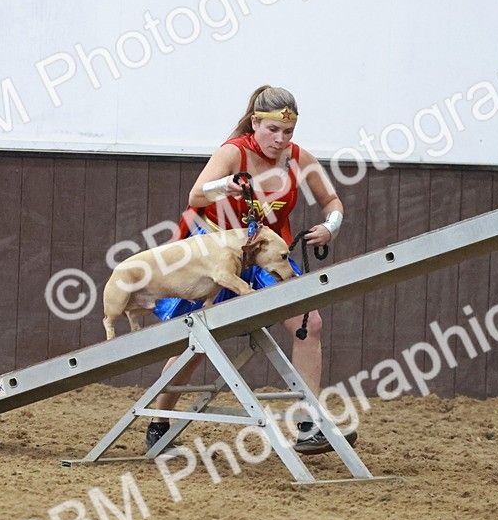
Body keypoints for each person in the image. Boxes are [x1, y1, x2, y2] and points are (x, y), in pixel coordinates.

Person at [145, 84, 354, 455]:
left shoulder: (297, 158)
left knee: (310, 323)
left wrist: (330, 226)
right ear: (255, 122)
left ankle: (308, 424)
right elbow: (195, 196)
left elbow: (331, 200)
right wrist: (227, 186)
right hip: (218, 256)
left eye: (288, 132)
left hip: (265, 258)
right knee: (197, 345)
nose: (280, 139)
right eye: (273, 130)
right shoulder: (233, 152)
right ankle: (158, 422)